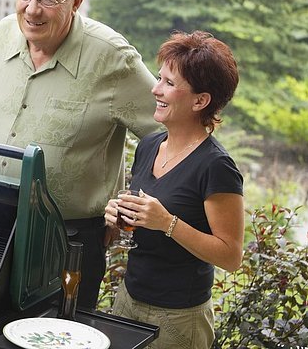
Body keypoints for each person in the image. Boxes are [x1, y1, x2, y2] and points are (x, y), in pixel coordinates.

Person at [0, 0, 159, 310]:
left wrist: (129, 202)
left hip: (66, 243)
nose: (31, 10)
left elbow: (167, 134)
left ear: (75, 2)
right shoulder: (2, 33)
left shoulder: (111, 57)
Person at [104, 30, 244, 348]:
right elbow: (136, 226)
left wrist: (168, 223)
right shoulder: (150, 144)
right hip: (127, 300)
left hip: (180, 319)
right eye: (159, 78)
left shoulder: (216, 166)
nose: (155, 89)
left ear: (200, 101)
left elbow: (231, 256)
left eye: (169, 83)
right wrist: (116, 217)